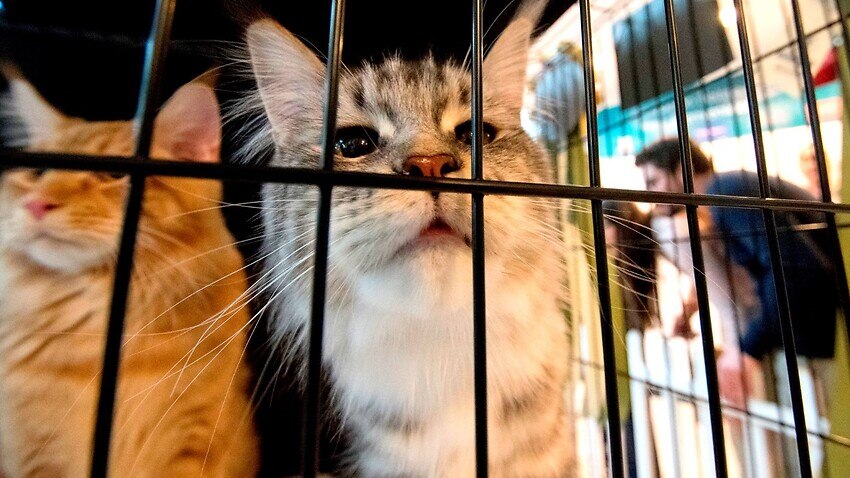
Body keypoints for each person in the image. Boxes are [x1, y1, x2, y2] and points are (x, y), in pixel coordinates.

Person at [635, 138, 839, 406]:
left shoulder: (725, 191)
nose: (651, 197)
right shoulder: (724, 193)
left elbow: (789, 266)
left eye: (654, 182)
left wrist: (747, 350)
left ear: (682, 169)